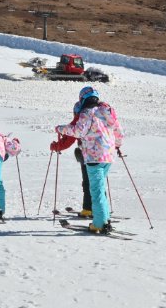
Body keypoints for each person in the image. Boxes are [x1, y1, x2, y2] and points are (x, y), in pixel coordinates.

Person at [54, 85, 125, 234]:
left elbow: (78, 131)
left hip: (94, 156)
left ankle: (99, 223)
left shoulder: (87, 112)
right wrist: (116, 145)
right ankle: (104, 219)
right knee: (99, 188)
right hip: (108, 156)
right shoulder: (106, 112)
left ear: (83, 98)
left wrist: (60, 128)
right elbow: (119, 132)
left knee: (96, 190)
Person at [50, 97, 95, 217]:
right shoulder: (98, 116)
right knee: (97, 182)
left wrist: (55, 147)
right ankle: (101, 208)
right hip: (103, 154)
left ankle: (88, 208)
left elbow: (68, 140)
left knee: (87, 181)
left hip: (87, 154)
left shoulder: (79, 120)